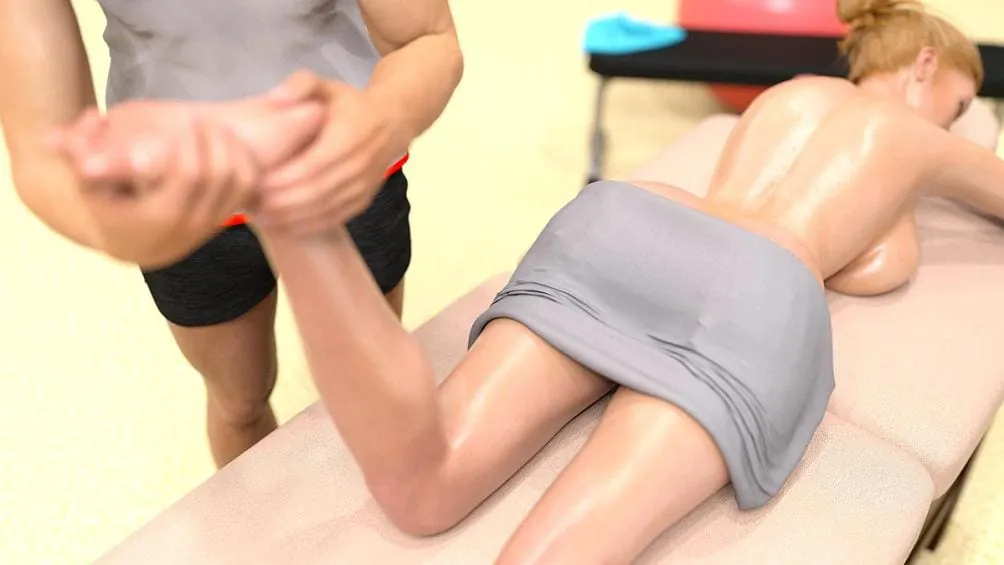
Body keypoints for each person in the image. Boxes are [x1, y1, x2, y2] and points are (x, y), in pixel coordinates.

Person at [41, 0, 1002, 563]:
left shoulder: (783, 99)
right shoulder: (909, 133)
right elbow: (885, 262)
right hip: (753, 283)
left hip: (630, 220)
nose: (957, 121)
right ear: (925, 67)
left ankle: (300, 231)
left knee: (424, 485)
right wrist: (921, 188)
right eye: (960, 104)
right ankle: (301, 227)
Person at [0, 0, 463, 466]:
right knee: (240, 400)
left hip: (344, 165)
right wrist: (113, 223)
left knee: (368, 379)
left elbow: (426, 36)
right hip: (179, 192)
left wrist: (381, 118)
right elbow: (43, 151)